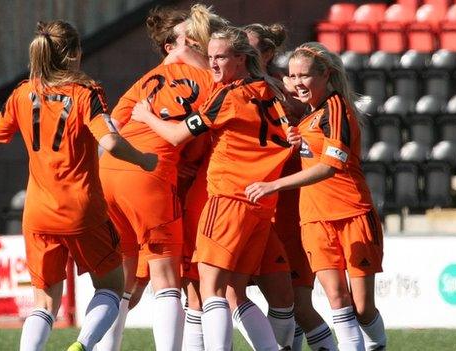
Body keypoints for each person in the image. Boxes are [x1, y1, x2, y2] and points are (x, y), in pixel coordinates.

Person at [0, 20, 156, 351]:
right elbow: (112, 142)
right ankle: (82, 346)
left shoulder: (21, 93)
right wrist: (144, 160)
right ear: (74, 54)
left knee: (44, 303)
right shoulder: (86, 92)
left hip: (37, 213)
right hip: (82, 210)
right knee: (111, 288)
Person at [131, 26, 292, 351]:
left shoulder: (227, 96)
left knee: (211, 289)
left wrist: (145, 116)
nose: (213, 64)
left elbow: (177, 135)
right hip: (260, 203)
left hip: (229, 198)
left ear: (242, 58)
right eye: (210, 56)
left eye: (220, 57)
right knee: (234, 291)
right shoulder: (272, 91)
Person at [245, 42, 387, 351]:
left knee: (362, 309)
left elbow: (331, 166)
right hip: (314, 220)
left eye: (305, 76)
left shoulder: (337, 107)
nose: (297, 83)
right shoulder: (308, 118)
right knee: (337, 300)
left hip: (352, 214)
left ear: (326, 75)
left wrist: (273, 186)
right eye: (293, 76)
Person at [96, 6, 215, 351]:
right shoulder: (210, 79)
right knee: (167, 281)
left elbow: (113, 130)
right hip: (149, 175)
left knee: (121, 280)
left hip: (110, 173)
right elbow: (211, 135)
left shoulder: (144, 80)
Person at [242, 23, 337, 351]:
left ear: (266, 54)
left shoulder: (286, 94)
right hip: (254, 203)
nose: (242, 51)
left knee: (296, 302)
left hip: (288, 204)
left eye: (249, 47)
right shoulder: (237, 90)